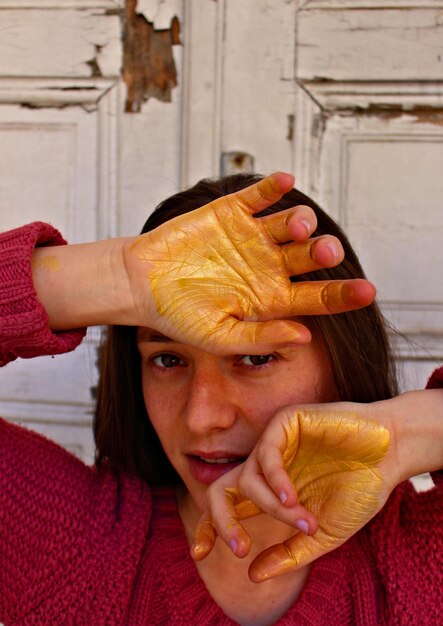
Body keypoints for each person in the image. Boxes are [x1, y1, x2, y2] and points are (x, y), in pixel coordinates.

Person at [0, 173, 441, 625]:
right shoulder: (65, 542)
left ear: (342, 362)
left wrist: (405, 433)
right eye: (168, 360)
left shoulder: (424, 556)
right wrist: (121, 277)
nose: (201, 418)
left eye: (254, 358)